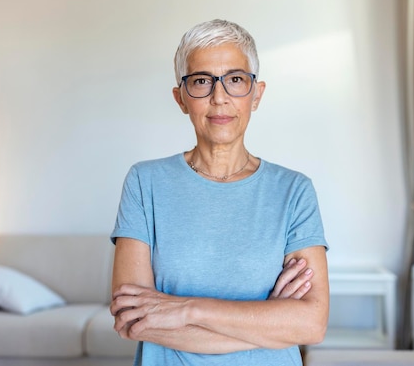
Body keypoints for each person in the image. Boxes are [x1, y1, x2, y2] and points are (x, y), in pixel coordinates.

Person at [110, 19, 329, 366]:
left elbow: (311, 324)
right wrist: (266, 319)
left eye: (236, 80)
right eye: (201, 81)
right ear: (181, 98)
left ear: (256, 95)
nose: (220, 97)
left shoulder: (294, 191)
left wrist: (187, 309)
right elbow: (133, 319)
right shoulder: (144, 182)